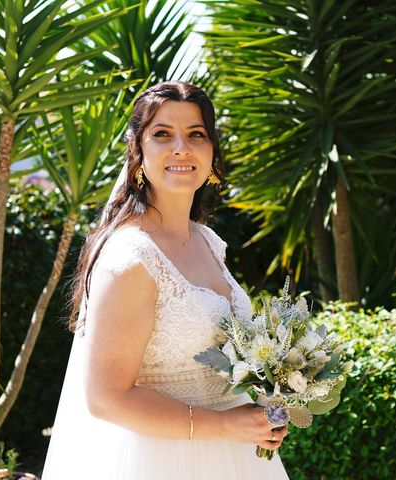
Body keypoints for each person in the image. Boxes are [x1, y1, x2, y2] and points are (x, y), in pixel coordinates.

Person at [42, 82, 289, 479]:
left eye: (196, 134)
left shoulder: (208, 242)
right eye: (162, 135)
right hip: (160, 462)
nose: (181, 148)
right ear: (138, 154)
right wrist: (227, 425)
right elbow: (105, 399)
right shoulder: (131, 256)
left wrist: (273, 400)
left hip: (235, 459)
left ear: (212, 153)